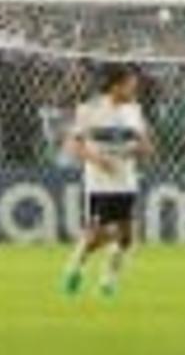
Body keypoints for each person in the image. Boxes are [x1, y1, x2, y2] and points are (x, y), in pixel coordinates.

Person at [59, 67, 148, 301]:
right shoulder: (89, 110)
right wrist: (97, 159)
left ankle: (108, 281)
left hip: (126, 181)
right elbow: (73, 146)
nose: (134, 89)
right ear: (115, 86)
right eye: (130, 84)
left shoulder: (134, 111)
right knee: (101, 232)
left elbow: (146, 145)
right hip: (99, 183)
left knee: (126, 236)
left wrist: (137, 149)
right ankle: (75, 267)